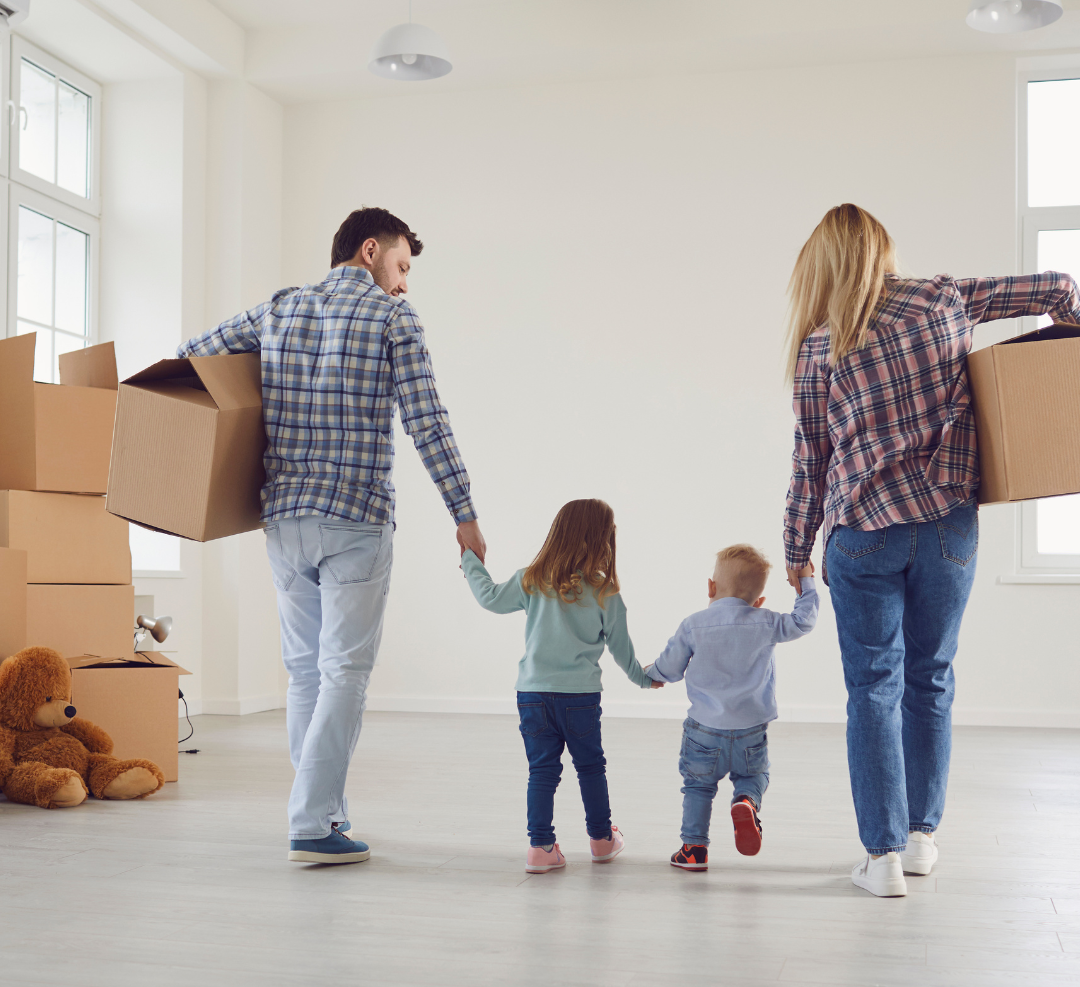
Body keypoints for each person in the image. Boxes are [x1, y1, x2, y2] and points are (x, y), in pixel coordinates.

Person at [783, 203, 1080, 898]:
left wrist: (796, 546)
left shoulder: (819, 347)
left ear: (823, 265)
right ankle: (921, 841)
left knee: (872, 691)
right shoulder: (943, 298)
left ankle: (881, 858)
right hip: (948, 526)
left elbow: (810, 462)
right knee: (932, 677)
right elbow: (1058, 287)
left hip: (862, 535)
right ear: (883, 251)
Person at [178, 207, 486, 865]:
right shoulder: (393, 318)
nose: (404, 283)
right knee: (343, 670)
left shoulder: (279, 310)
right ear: (370, 251)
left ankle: (325, 812)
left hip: (284, 518)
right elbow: (427, 422)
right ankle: (313, 822)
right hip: (355, 519)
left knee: (303, 673)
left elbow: (192, 357)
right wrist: (464, 512)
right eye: (402, 266)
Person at [460, 499, 659, 873]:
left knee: (542, 771)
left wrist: (470, 559)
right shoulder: (605, 592)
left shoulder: (531, 579)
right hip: (580, 698)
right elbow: (622, 651)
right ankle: (602, 840)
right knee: (590, 767)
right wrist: (645, 679)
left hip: (532, 694)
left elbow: (488, 597)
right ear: (604, 540)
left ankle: (541, 849)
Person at [643, 544, 818, 871]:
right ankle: (747, 801)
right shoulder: (766, 621)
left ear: (710, 587)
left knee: (698, 786)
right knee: (754, 775)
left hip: (703, 731)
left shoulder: (694, 624)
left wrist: (648, 674)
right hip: (751, 729)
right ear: (759, 600)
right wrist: (806, 582)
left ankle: (694, 850)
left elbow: (669, 668)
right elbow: (803, 621)